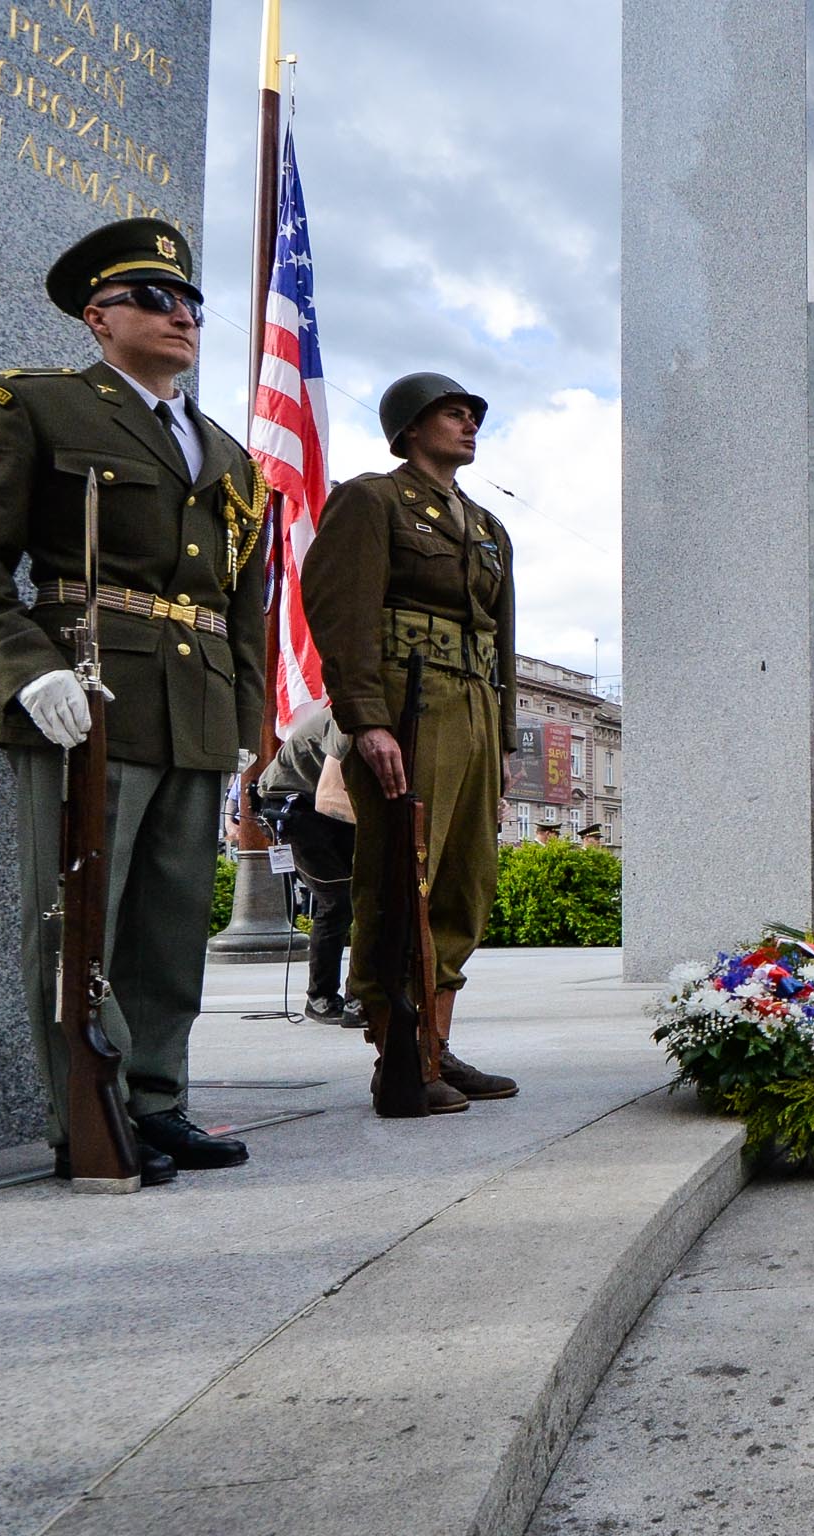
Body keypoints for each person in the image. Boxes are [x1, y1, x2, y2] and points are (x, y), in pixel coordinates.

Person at [0, 217, 263, 1184]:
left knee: (168, 926)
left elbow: (246, 602)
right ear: (98, 315)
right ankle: (88, 1109)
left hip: (194, 703)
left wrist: (243, 724)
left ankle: (158, 1102)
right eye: (156, 299)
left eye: (192, 302)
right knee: (80, 917)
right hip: (84, 684)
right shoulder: (33, 406)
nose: (183, 316)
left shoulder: (227, 455)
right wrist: (21, 670)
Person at [306, 371, 521, 1115]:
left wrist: (502, 749)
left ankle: (436, 1043)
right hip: (407, 703)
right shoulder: (373, 499)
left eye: (472, 414)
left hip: (472, 707)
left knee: (464, 880)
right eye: (452, 413)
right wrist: (365, 717)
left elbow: (503, 642)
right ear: (410, 427)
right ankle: (396, 1051)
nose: (468, 423)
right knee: (403, 875)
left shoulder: (489, 528)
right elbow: (340, 608)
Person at [255, 705, 360, 1026]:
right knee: (338, 899)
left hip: (331, 797)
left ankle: (362, 995)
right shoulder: (353, 714)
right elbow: (329, 797)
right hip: (292, 801)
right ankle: (321, 997)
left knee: (372, 892)